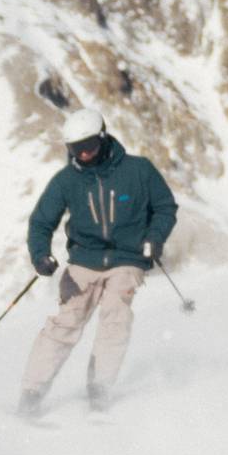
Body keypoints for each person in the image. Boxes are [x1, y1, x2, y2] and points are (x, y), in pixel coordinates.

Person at [17, 107, 178, 417]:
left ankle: (99, 390)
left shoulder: (138, 170)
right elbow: (41, 223)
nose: (85, 153)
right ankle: (31, 393)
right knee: (67, 321)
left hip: (127, 257)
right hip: (84, 258)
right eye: (76, 148)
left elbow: (164, 207)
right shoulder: (66, 181)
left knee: (116, 317)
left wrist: (154, 238)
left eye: (90, 145)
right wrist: (41, 255)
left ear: (104, 137)